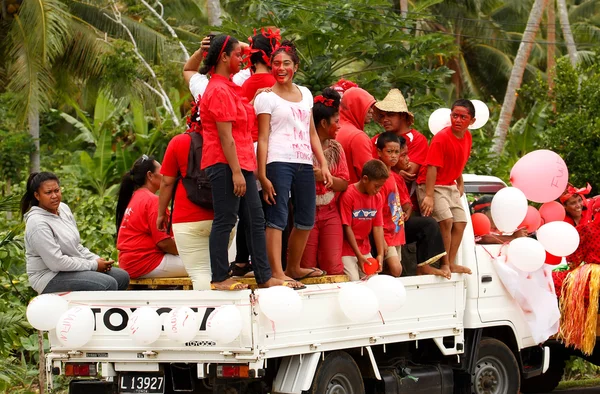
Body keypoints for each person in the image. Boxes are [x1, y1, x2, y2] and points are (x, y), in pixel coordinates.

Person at [199, 35, 292, 290]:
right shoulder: (218, 89)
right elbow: (225, 136)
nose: (243, 60)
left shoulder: (229, 87)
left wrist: (253, 100)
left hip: (243, 164)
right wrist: (236, 173)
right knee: (226, 219)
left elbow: (238, 120)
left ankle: (264, 276)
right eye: (238, 55)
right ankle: (219, 278)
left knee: (255, 219)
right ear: (224, 57)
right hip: (226, 164)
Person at [255, 40, 333, 283]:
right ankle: (277, 273)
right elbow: (263, 137)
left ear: (295, 67)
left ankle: (294, 267)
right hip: (278, 161)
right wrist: (262, 174)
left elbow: (311, 133)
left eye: (286, 63)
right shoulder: (266, 98)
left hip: (303, 162)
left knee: (306, 218)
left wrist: (324, 163)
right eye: (276, 63)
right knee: (277, 218)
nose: (280, 68)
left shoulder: (306, 94)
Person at [22, 172, 129, 294]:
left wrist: (97, 259)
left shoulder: (63, 209)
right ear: (37, 195)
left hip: (70, 268)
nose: (54, 196)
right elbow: (56, 263)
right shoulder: (37, 223)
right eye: (48, 192)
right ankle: (89, 312)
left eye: (57, 191)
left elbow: (76, 246)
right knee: (108, 284)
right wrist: (93, 265)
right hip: (49, 276)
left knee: (122, 277)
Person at [231, 28, 280, 277]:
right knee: (273, 209)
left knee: (248, 210)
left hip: (247, 151)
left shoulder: (244, 84)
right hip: (272, 151)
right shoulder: (279, 85)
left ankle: (241, 259)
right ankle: (273, 263)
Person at [417, 99, 475, 276]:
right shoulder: (441, 138)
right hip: (431, 185)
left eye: (462, 117)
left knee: (461, 222)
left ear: (471, 121)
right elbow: (432, 167)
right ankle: (444, 265)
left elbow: (457, 161)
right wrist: (428, 195)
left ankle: (451, 262)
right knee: (447, 221)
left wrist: (460, 182)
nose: (457, 120)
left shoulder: (467, 137)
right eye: (454, 115)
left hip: (449, 185)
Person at [300, 88, 349, 276]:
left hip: (331, 213)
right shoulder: (302, 147)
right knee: (306, 266)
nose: (339, 126)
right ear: (323, 122)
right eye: (336, 121)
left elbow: (344, 183)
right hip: (306, 212)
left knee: (334, 267)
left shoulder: (337, 148)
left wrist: (324, 177)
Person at [116, 156, 186, 280]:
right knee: (201, 265)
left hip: (128, 263)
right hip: (145, 263)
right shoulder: (153, 201)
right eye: (162, 171)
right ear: (150, 175)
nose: (166, 175)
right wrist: (187, 251)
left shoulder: (135, 196)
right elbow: (163, 243)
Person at [339, 159, 387, 281]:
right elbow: (347, 227)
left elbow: (377, 226)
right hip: (346, 249)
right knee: (353, 279)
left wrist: (380, 254)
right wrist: (358, 255)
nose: (378, 190)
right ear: (365, 179)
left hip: (365, 248)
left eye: (381, 186)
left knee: (373, 280)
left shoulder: (377, 197)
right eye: (376, 186)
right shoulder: (348, 195)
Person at [375, 132, 406, 277]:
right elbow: (376, 211)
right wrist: (382, 241)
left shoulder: (394, 176)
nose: (394, 156)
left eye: (397, 152)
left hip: (396, 231)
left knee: (396, 270)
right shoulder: (380, 179)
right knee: (396, 269)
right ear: (379, 152)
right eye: (389, 152)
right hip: (386, 233)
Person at [335, 87, 376, 183]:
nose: (371, 111)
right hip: (354, 195)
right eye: (367, 106)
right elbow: (370, 177)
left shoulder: (334, 129)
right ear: (356, 106)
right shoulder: (357, 137)